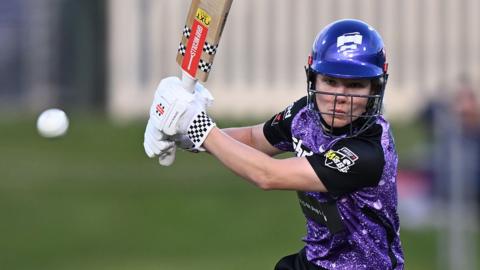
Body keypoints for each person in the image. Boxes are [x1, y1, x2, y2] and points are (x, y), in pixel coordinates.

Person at [143, 19, 404, 270]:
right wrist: (186, 137)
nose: (339, 98)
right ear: (313, 79)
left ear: (375, 88)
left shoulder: (368, 152)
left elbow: (268, 175)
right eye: (330, 81)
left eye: (355, 85)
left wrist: (199, 126)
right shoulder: (305, 115)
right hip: (314, 260)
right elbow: (255, 139)